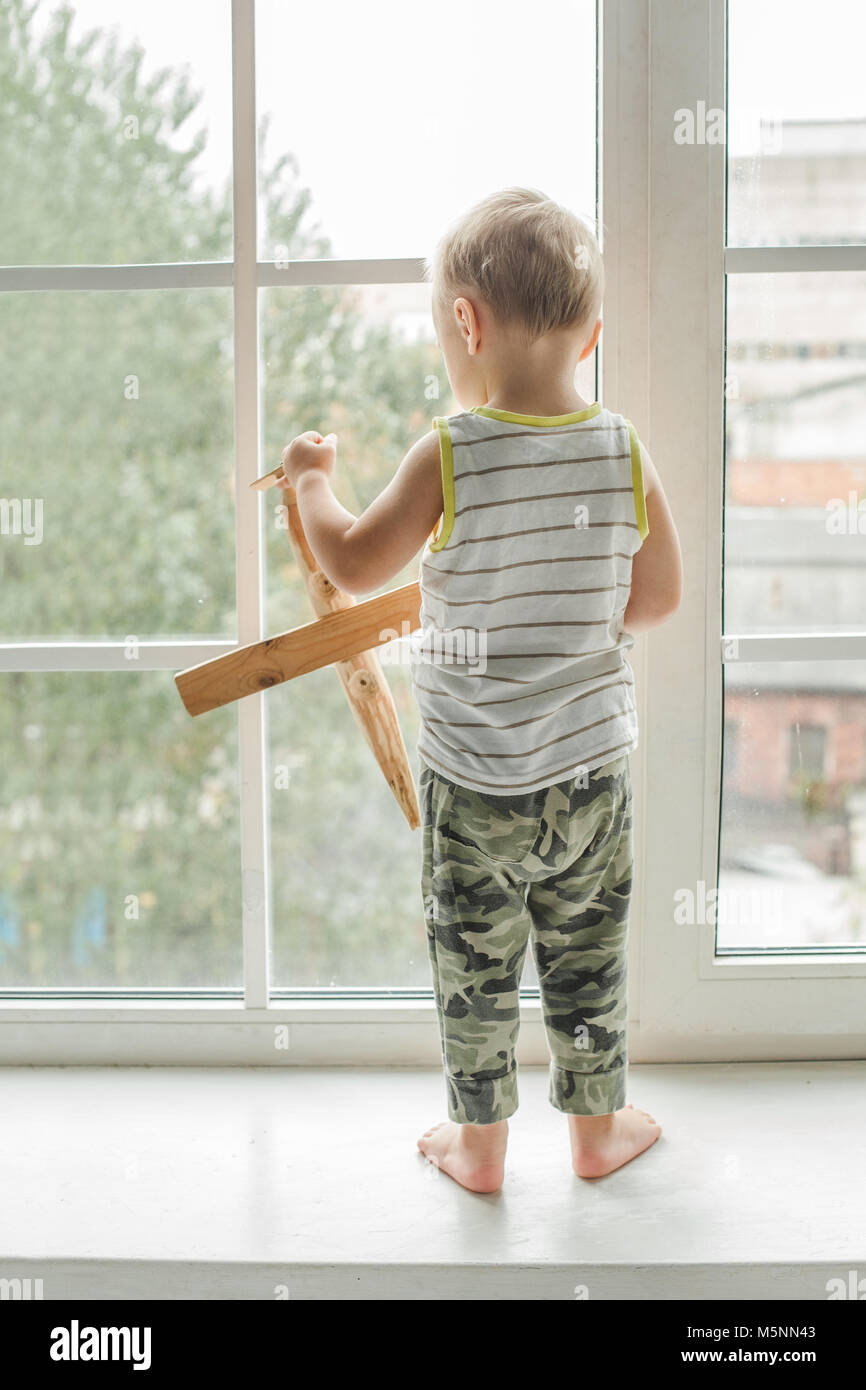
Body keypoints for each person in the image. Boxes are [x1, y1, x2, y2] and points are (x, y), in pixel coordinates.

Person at [278, 187, 683, 1193]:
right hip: (591, 779)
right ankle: (595, 1132)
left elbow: (359, 561)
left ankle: (481, 1148)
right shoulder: (622, 450)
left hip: (473, 792)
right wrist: (573, 618)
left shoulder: (452, 453)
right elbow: (660, 597)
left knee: (474, 967)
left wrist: (308, 482)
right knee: (588, 956)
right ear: (588, 337)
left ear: (464, 321)